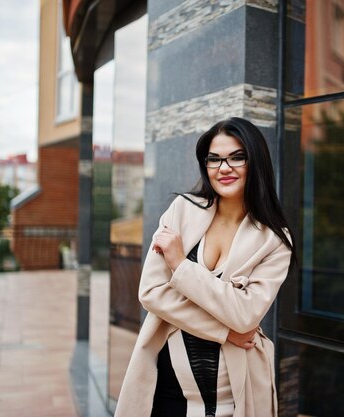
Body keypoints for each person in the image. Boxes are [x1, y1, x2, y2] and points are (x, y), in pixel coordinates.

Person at [114, 117, 294, 417]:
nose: (224, 168)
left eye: (237, 157)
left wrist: (180, 265)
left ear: (256, 162)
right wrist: (225, 332)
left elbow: (245, 314)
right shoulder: (183, 210)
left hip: (235, 392)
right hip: (168, 386)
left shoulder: (274, 239)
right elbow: (151, 293)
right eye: (214, 159)